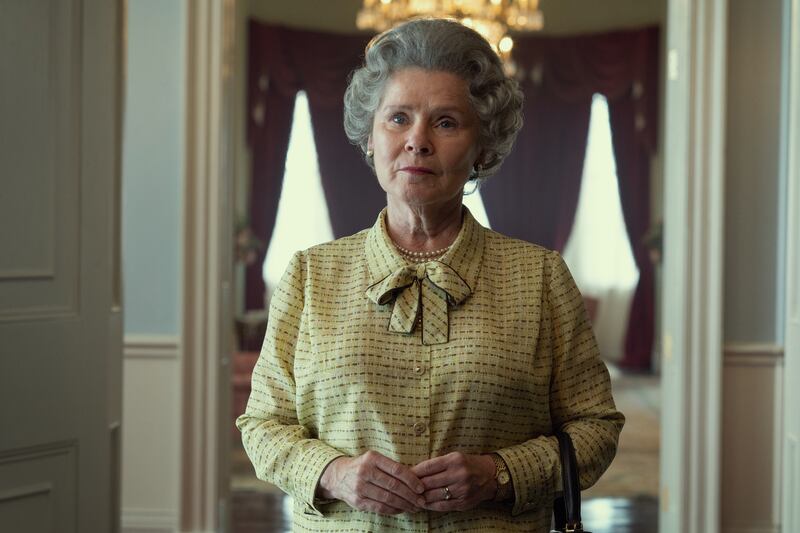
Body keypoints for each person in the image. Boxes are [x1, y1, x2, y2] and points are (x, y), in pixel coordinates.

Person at [236, 17, 625, 532]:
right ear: (370, 138)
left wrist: (500, 474)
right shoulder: (311, 275)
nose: (417, 140)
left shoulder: (541, 277)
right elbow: (262, 426)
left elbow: (596, 429)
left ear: (481, 147)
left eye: (445, 122)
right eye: (398, 118)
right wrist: (333, 473)